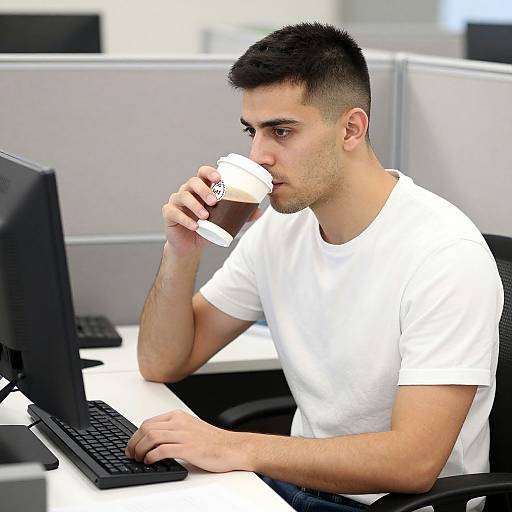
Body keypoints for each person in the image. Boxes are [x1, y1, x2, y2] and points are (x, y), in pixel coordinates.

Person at [126, 23, 504, 511]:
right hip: (298, 487)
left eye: (281, 131)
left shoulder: (444, 256)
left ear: (351, 128)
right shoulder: (280, 230)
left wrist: (234, 446)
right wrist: (182, 251)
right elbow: (163, 362)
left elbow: (414, 461)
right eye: (253, 131)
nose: (258, 156)